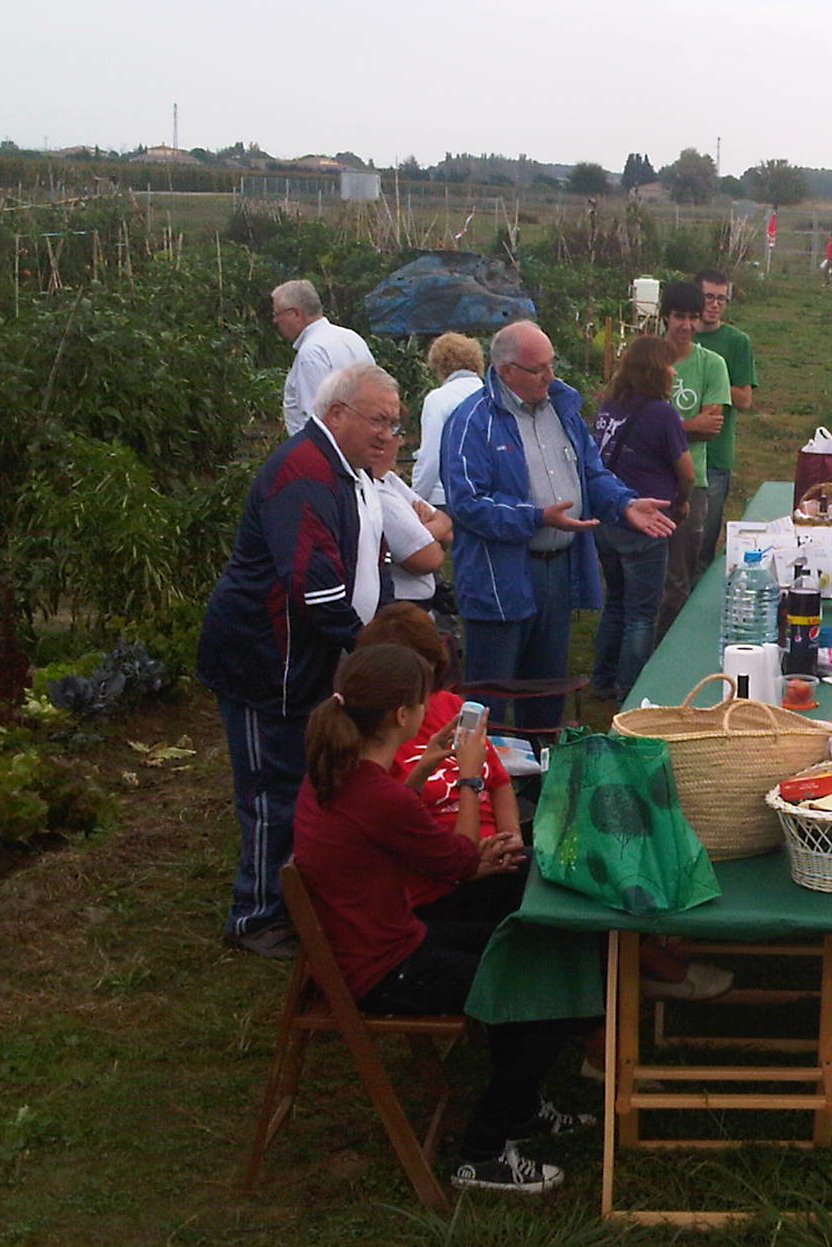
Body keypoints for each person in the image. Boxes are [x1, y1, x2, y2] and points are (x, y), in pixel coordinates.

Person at [293, 643, 591, 1194]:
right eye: (423, 699)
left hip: (379, 940)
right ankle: (481, 1154)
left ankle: (520, 1106)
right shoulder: (376, 795)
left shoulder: (336, 773)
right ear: (402, 714)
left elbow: (390, 821)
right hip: (385, 968)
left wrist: (428, 765)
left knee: (528, 942)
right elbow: (458, 862)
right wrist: (470, 778)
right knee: (542, 988)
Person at [199, 362, 400, 958]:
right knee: (271, 789)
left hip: (304, 657)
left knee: (307, 781)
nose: (387, 434)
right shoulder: (303, 470)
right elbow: (316, 588)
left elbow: (371, 560)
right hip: (264, 660)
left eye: (394, 423)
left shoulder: (347, 470)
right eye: (378, 420)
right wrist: (372, 652)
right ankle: (255, 917)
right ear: (336, 413)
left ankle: (301, 900)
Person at [440, 320, 675, 733]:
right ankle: (482, 769)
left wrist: (624, 503)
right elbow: (467, 503)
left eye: (552, 364)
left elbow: (591, 473)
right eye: (539, 369)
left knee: (546, 689)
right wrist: (535, 518)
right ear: (506, 370)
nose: (550, 376)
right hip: (499, 577)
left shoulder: (561, 410)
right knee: (490, 695)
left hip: (558, 571)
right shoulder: (472, 422)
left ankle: (540, 763)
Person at [355, 602, 525, 919]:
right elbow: (438, 856)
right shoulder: (377, 749)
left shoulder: (450, 708)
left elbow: (500, 781)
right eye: (419, 682)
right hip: (445, 885)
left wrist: (510, 836)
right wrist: (469, 779)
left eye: (431, 676)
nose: (428, 694)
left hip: (486, 858)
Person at [590, 336, 692, 702]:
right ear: (656, 370)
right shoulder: (662, 413)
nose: (673, 371)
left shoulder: (609, 407)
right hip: (645, 521)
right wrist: (681, 502)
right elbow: (686, 470)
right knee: (642, 613)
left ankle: (601, 679)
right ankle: (630, 691)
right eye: (669, 365)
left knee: (615, 601)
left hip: (607, 517)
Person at [654, 281, 730, 637]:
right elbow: (631, 424)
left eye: (692, 318)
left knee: (679, 580)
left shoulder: (712, 364)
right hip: (644, 483)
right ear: (665, 317)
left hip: (691, 483)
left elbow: (710, 427)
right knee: (642, 578)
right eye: (679, 317)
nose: (686, 325)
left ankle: (667, 648)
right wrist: (687, 426)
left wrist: (659, 432)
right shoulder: (646, 359)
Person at [692, 270, 756, 575]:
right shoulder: (678, 337)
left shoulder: (737, 342)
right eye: (708, 297)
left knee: (703, 544)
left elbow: (744, 399)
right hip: (674, 452)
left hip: (715, 456)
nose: (715, 304)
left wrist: (711, 382)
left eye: (721, 299)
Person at [271, 278, 374, 436]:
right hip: (362, 440)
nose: (275, 321)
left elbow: (317, 419)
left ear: (295, 313)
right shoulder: (352, 338)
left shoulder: (311, 352)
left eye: (277, 314)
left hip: (323, 448)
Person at [367, 427, 449, 608]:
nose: (401, 442)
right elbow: (428, 559)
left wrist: (421, 532)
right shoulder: (378, 495)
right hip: (399, 605)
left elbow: (448, 528)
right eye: (397, 434)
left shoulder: (389, 479)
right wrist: (431, 531)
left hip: (421, 603)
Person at [413, 332, 485, 507]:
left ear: (439, 364)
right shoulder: (490, 396)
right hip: (485, 498)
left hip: (446, 498)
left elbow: (431, 458)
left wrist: (415, 498)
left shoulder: (438, 399)